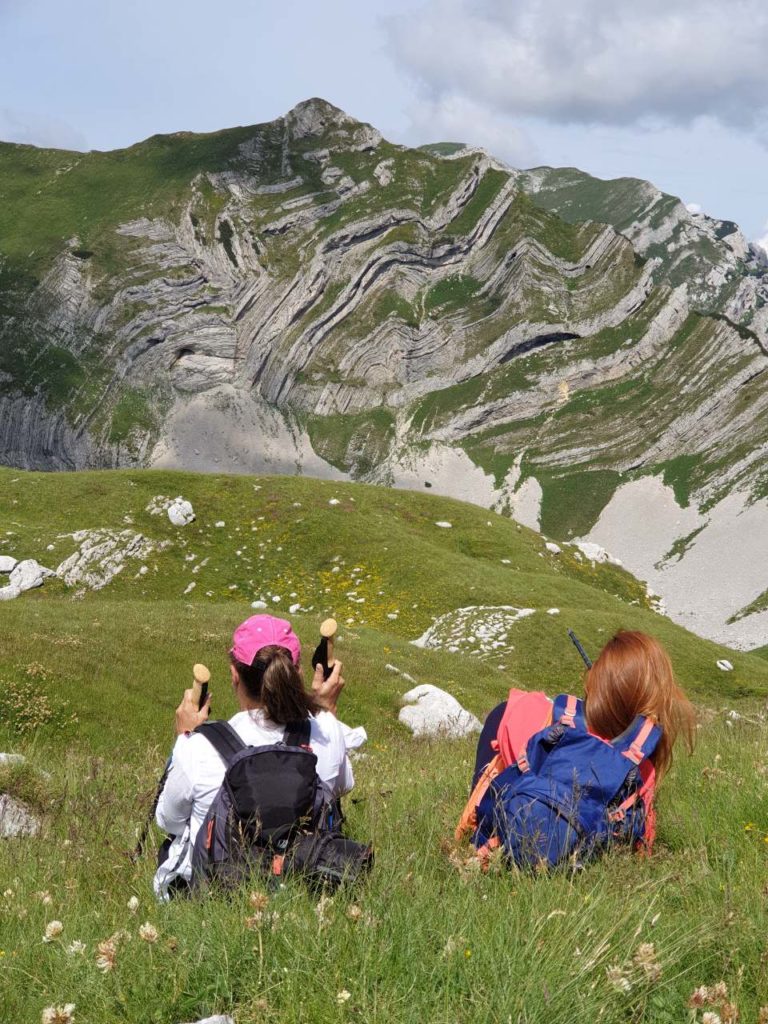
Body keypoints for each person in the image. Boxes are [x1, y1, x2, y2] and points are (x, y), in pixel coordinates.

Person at [153, 614, 366, 900]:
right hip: (304, 892)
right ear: (297, 672)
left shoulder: (199, 747)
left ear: (234, 675)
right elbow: (340, 788)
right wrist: (325, 712)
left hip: (223, 897)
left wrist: (184, 739)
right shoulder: (326, 731)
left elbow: (168, 820)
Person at [457, 629, 696, 857]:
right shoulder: (641, 766)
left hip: (511, 827)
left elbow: (513, 722)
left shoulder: (535, 719)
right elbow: (644, 846)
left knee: (502, 715)